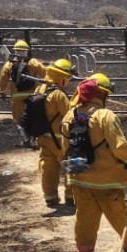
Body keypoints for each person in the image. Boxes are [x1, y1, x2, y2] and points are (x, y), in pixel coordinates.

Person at [62, 73, 127, 252]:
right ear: (101, 95)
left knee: (84, 218)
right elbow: (120, 148)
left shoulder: (70, 116)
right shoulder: (105, 116)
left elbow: (64, 148)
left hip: (79, 177)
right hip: (106, 180)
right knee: (119, 214)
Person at [33, 58, 74, 208]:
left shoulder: (40, 89)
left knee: (48, 168)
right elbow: (69, 116)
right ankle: (71, 197)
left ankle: (50, 197)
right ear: (61, 77)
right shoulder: (58, 94)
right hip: (59, 140)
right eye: (68, 77)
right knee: (69, 167)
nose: (69, 81)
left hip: (43, 137)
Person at [0, 39, 45, 145]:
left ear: (15, 51)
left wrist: (2, 91)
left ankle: (25, 139)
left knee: (18, 117)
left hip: (17, 95)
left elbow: (3, 78)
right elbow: (45, 73)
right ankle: (34, 140)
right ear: (27, 51)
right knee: (33, 116)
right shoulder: (33, 62)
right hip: (32, 95)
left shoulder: (9, 64)